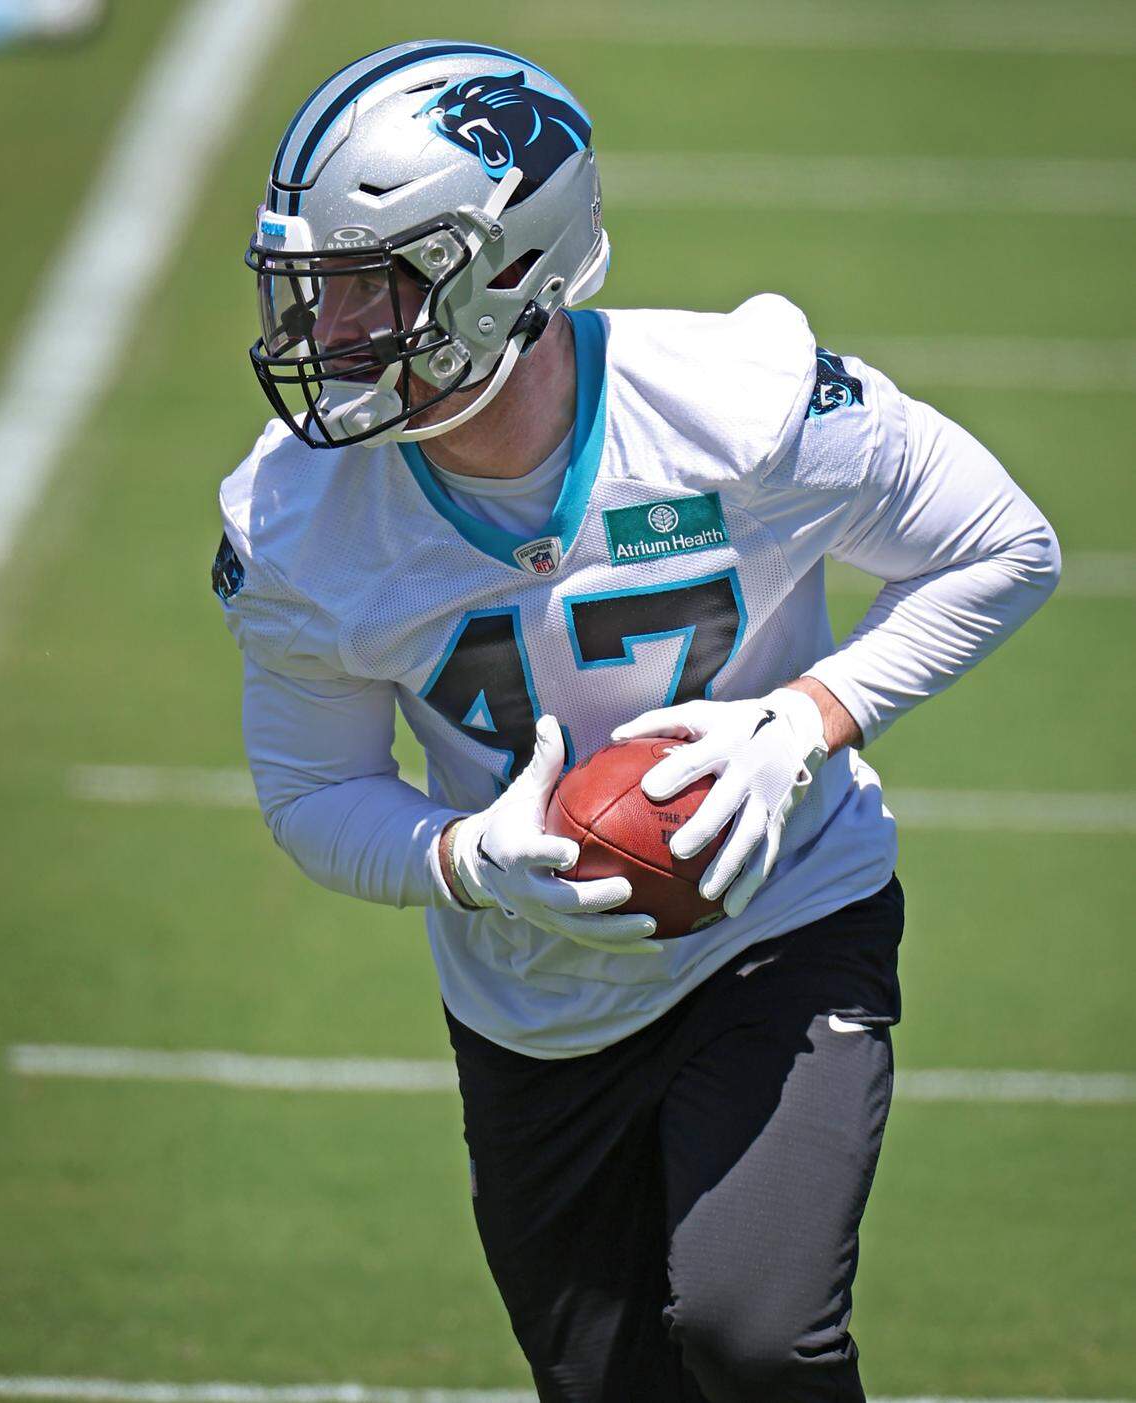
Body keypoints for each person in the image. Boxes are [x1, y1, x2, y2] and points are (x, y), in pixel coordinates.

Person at [214, 41, 1060, 1403]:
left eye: (381, 285)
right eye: (317, 289)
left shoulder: (740, 405)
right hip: (533, 1004)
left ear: (513, 270)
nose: (336, 333)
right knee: (613, 1388)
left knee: (754, 1334)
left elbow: (1004, 546)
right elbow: (313, 793)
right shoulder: (297, 523)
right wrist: (465, 860)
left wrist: (807, 720)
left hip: (782, 913)